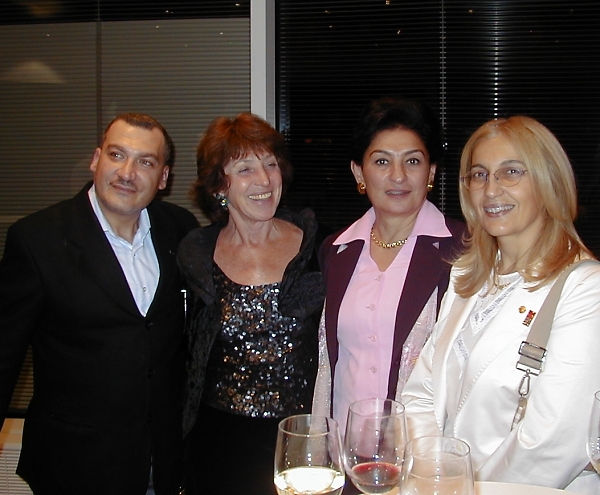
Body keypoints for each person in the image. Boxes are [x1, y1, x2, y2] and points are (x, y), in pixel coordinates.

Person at [0, 113, 198, 495]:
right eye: (116, 155)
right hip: (73, 468)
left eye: (145, 162)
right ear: (95, 159)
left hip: (162, 463)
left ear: (163, 178)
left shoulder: (181, 229)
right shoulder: (37, 239)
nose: (127, 173)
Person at [401, 116, 600, 494]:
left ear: (549, 181)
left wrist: (464, 490)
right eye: (479, 174)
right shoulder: (466, 277)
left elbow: (551, 445)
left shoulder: (586, 289)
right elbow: (420, 395)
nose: (491, 189)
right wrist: (434, 478)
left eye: (511, 172)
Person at [177, 112, 325, 495]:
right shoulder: (195, 256)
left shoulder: (318, 248)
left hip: (302, 440)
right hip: (220, 447)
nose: (264, 180)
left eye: (270, 164)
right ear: (218, 186)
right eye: (244, 169)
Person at [312, 97, 465, 442]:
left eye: (413, 161)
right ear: (359, 172)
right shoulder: (337, 250)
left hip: (424, 451)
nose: (398, 176)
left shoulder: (464, 250)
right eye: (382, 161)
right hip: (346, 448)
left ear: (431, 172)